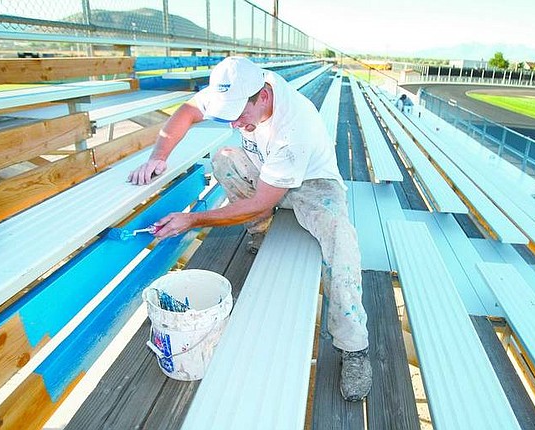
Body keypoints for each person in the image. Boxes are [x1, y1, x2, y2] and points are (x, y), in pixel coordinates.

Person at [128, 57, 372, 401]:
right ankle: (260, 232)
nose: (236, 123)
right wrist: (158, 155)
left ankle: (353, 347)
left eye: (241, 115)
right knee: (225, 158)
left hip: (314, 183)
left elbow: (262, 201)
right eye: (228, 115)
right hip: (267, 172)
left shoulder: (294, 129)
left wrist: (192, 219)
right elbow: (187, 112)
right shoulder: (241, 84)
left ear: (264, 98)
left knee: (342, 242)